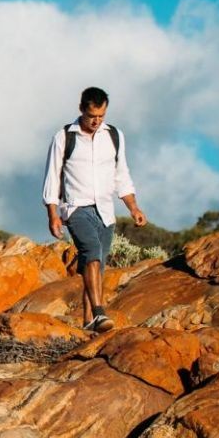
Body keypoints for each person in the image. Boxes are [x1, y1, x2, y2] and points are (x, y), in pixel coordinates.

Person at [41, 86, 148, 333]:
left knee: (97, 267)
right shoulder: (64, 137)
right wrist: (53, 214)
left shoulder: (114, 136)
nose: (96, 121)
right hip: (76, 208)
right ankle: (100, 312)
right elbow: (52, 177)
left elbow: (122, 175)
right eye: (92, 116)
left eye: (101, 116)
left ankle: (89, 321)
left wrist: (133, 207)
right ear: (81, 109)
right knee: (92, 251)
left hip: (106, 211)